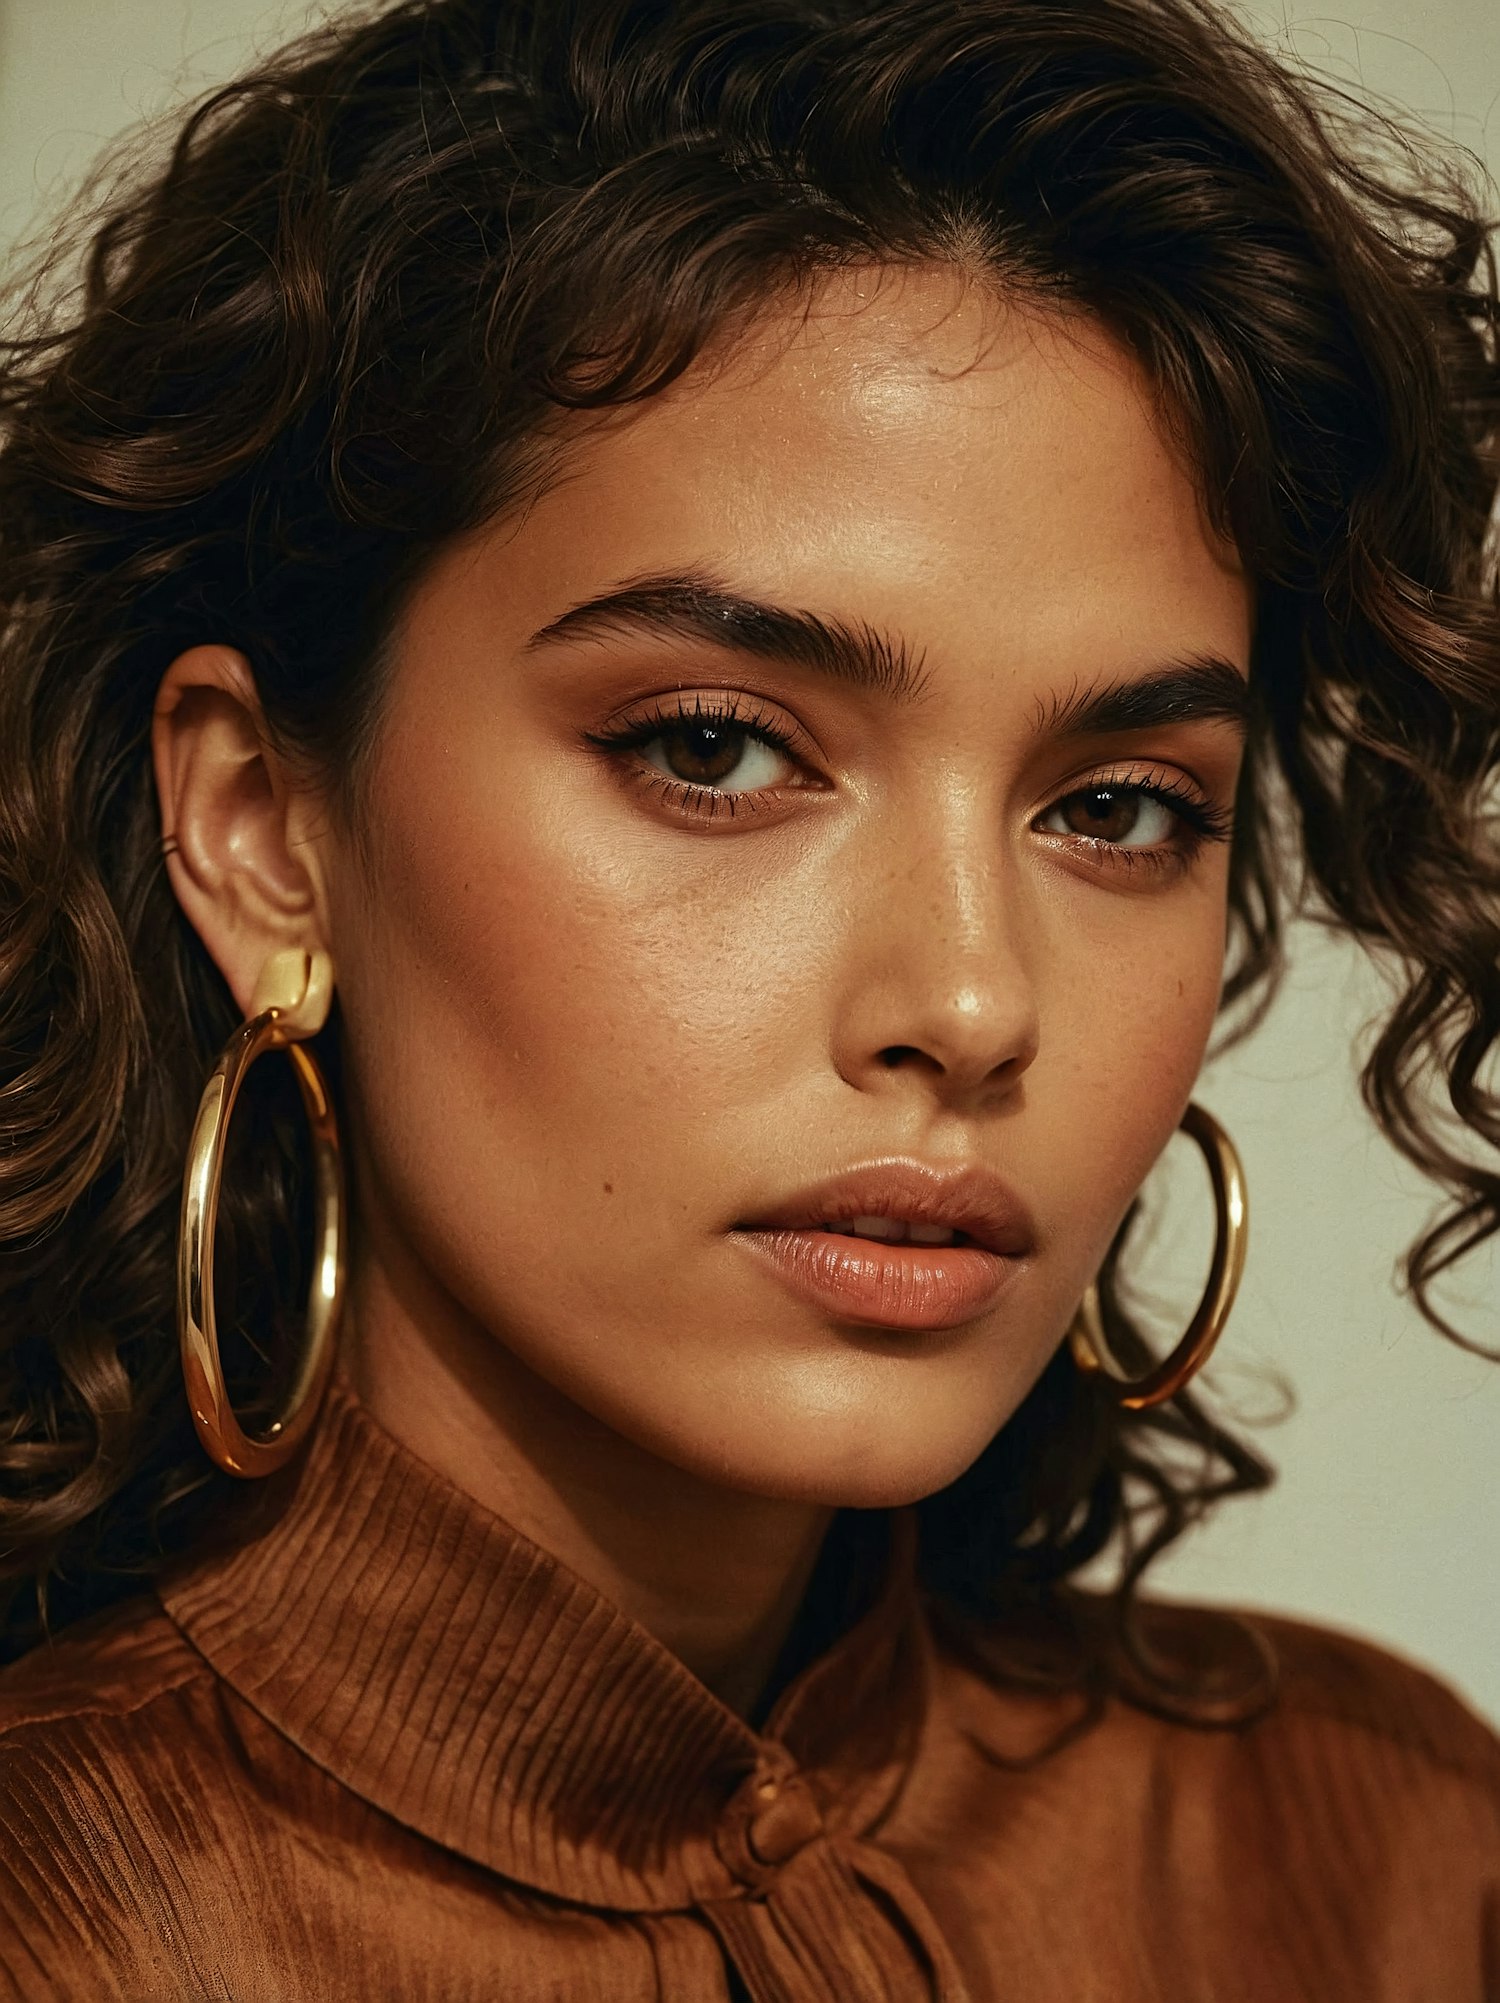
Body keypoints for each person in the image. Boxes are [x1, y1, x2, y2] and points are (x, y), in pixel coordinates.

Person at [0, 0, 1496, 1995]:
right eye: (714, 750)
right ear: (268, 830)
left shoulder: (1382, 1865)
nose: (972, 1002)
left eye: (1122, 807)